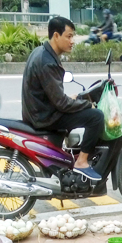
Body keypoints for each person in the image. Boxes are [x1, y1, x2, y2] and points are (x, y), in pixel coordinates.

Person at [22, 17, 104, 181]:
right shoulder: (48, 62)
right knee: (96, 117)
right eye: (69, 36)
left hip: (39, 112)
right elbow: (61, 103)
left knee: (79, 107)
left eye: (73, 36)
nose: (72, 41)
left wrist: (71, 99)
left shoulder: (41, 52)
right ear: (56, 36)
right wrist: (87, 104)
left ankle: (61, 161)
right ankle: (81, 162)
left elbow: (51, 94)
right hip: (45, 117)